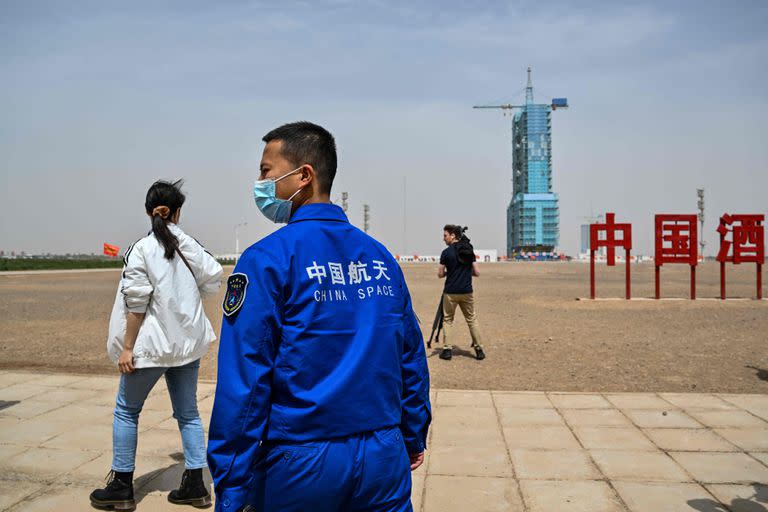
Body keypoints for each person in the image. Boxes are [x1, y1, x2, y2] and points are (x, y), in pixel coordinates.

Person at [207, 121, 431, 512]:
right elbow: (410, 357)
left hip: (302, 462)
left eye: (266, 171)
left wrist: (232, 483)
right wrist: (412, 435)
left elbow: (246, 382)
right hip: (383, 456)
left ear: (304, 175)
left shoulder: (266, 260)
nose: (260, 183)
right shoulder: (380, 258)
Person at [90, 180, 223, 511]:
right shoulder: (191, 246)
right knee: (188, 413)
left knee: (126, 410)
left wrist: (126, 348)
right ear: (177, 212)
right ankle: (196, 485)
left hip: (150, 348)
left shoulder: (141, 249)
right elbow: (213, 278)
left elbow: (136, 303)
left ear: (150, 212)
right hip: (188, 347)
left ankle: (121, 486)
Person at [437, 224, 485, 361]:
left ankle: (447, 350)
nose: (444, 239)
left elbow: (440, 274)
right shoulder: (469, 250)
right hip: (466, 291)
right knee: (471, 319)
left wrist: (449, 272)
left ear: (453, 236)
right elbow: (477, 272)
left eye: (445, 235)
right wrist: (464, 272)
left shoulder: (446, 253)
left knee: (448, 320)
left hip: (450, 292)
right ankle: (479, 349)